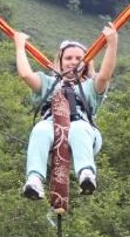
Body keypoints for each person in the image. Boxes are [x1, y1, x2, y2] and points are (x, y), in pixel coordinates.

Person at [14, 23, 118, 200]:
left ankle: (86, 173)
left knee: (77, 128)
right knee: (39, 129)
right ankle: (34, 180)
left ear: (85, 64)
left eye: (78, 59)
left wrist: (112, 44)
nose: (73, 62)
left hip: (83, 133)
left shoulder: (91, 87)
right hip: (52, 133)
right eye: (68, 58)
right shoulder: (47, 83)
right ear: (60, 62)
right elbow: (25, 75)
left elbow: (105, 75)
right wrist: (19, 46)